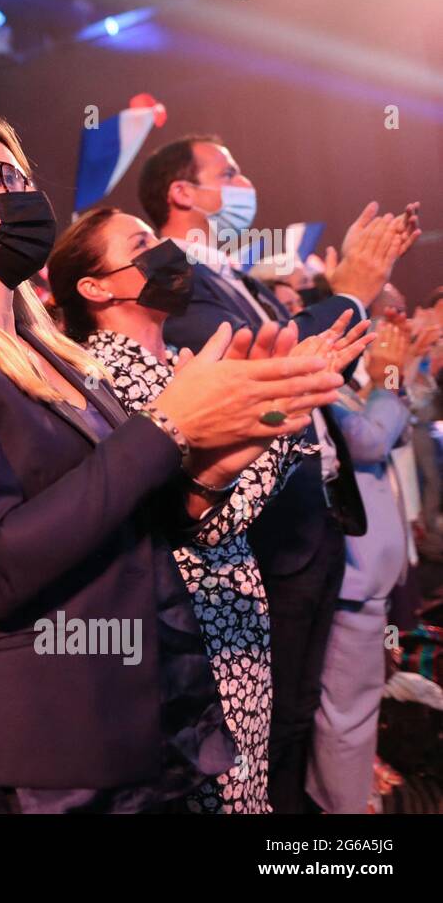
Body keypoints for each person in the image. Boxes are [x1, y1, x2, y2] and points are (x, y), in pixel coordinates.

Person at [0, 113, 346, 813]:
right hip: (53, 755)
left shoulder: (53, 353)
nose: (26, 192)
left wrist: (219, 459)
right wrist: (170, 422)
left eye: (25, 175)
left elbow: (130, 518)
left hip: (155, 716)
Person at [47, 206, 372, 812]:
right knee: (217, 792)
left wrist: (279, 410)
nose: (164, 248)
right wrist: (283, 413)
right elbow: (214, 516)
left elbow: (236, 495)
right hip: (193, 625)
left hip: (231, 612)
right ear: (95, 286)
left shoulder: (174, 363)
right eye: (140, 242)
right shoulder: (109, 375)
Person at [138, 134, 420, 811]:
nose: (244, 183)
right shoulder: (175, 278)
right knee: (275, 725)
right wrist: (347, 293)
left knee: (300, 711)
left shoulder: (232, 274)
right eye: (228, 171)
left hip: (313, 522)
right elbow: (264, 370)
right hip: (264, 530)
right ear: (182, 192)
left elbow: (315, 372)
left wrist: (345, 303)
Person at [309, 314, 435, 812]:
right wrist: (390, 372)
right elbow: (370, 440)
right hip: (351, 587)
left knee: (369, 696)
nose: (385, 331)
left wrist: (393, 373)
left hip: (379, 584)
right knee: (348, 717)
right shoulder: (322, 383)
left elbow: (397, 428)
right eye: (376, 320)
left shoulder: (361, 384)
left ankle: (360, 791)